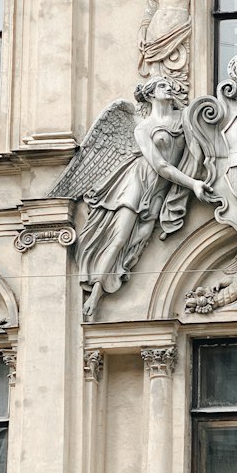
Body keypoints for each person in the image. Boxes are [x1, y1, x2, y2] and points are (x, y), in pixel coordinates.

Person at [78, 77, 208, 319]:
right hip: (138, 182)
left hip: (162, 188)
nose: (168, 87)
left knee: (140, 238)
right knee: (119, 238)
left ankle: (118, 272)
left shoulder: (185, 119)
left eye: (169, 85)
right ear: (150, 94)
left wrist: (199, 173)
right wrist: (193, 184)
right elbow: (160, 165)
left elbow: (195, 153)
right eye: (162, 85)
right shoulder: (143, 127)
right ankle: (95, 294)